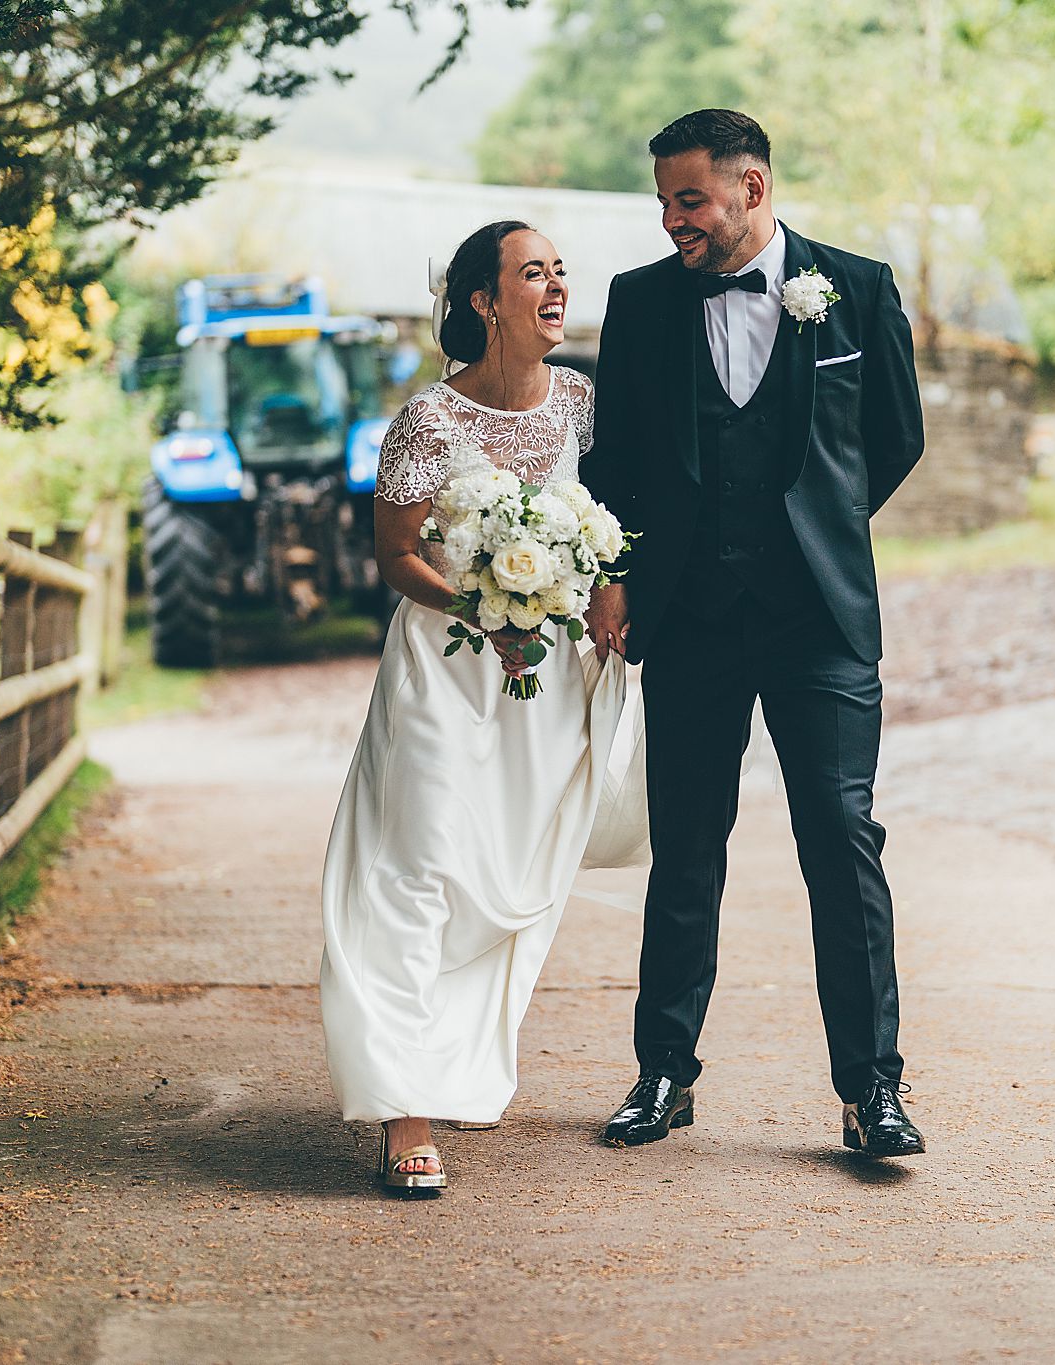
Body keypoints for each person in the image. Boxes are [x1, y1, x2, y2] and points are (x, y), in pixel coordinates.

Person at [582, 108, 930, 1158]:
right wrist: (625, 570)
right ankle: (662, 1073)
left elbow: (893, 438)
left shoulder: (854, 289)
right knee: (685, 846)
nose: (671, 220)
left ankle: (871, 1092)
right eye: (663, 202)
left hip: (816, 617)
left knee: (839, 836)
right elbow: (614, 459)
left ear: (751, 190)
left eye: (688, 200)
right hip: (687, 616)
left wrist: (811, 528)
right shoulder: (638, 304)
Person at [318, 220, 644, 1195]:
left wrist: (607, 588)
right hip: (443, 672)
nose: (554, 288)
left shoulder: (586, 405)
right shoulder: (427, 422)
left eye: (559, 273)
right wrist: (482, 602)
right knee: (414, 866)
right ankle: (402, 1111)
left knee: (500, 875)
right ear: (482, 302)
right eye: (531, 274)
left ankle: (448, 1058)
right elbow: (395, 558)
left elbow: (615, 523)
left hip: (543, 685)